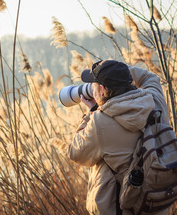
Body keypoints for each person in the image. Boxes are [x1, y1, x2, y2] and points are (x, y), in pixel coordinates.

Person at [68, 60, 171, 215]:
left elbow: (75, 152)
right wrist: (119, 72)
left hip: (122, 209)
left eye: (94, 85)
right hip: (156, 206)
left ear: (101, 89)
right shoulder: (154, 100)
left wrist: (91, 114)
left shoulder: (100, 122)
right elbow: (150, 77)